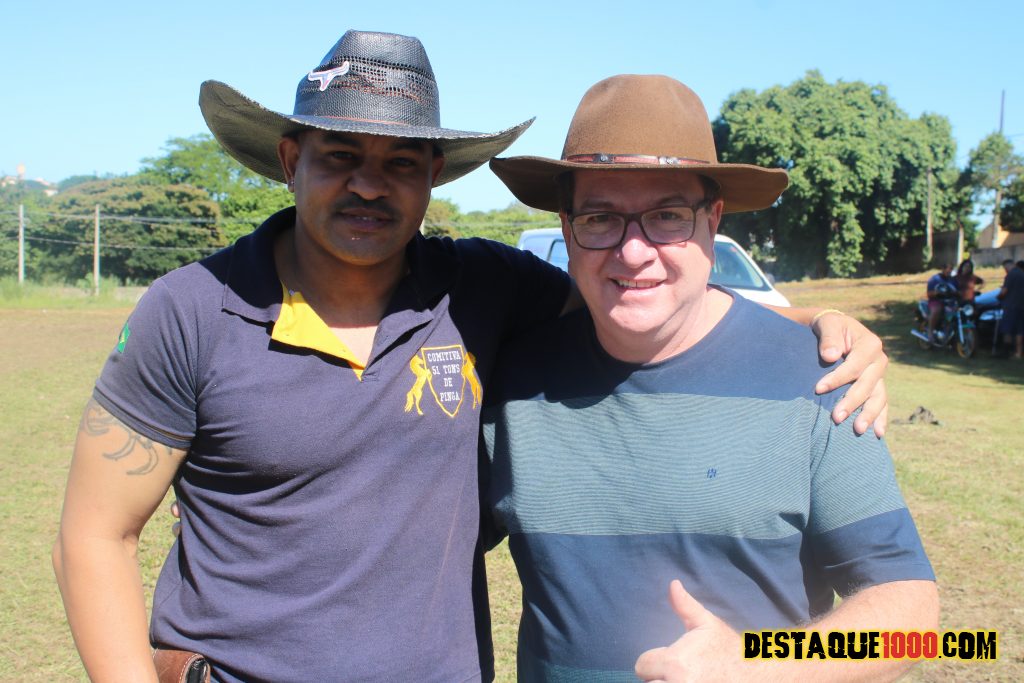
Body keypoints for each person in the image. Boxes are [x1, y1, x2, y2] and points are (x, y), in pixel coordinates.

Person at [52, 33, 890, 683]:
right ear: (290, 160)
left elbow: (923, 625)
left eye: (400, 162)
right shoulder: (191, 310)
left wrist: (814, 324)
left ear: (433, 176)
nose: (370, 185)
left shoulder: (483, 290)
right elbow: (93, 534)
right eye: (341, 156)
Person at [483, 74, 937, 682]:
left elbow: (914, 616)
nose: (633, 251)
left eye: (668, 216)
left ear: (712, 221)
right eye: (599, 218)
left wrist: (756, 666)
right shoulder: (512, 383)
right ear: (567, 228)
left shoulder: (818, 381)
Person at [997, 258, 1024, 359]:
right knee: (1020, 330)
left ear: (1008, 265)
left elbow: (1004, 291)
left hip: (1011, 306)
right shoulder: (1022, 274)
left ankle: (1006, 352)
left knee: (1007, 329)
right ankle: (1018, 353)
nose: (1005, 270)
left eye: (1005, 268)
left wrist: (999, 297)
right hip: (1022, 306)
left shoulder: (1011, 275)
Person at [926, 262, 958, 342]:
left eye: (951, 269)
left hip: (950, 302)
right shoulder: (935, 279)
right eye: (949, 268)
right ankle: (930, 331)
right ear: (943, 269)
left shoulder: (953, 280)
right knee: (936, 310)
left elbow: (957, 290)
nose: (950, 271)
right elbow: (929, 293)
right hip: (936, 301)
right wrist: (938, 292)